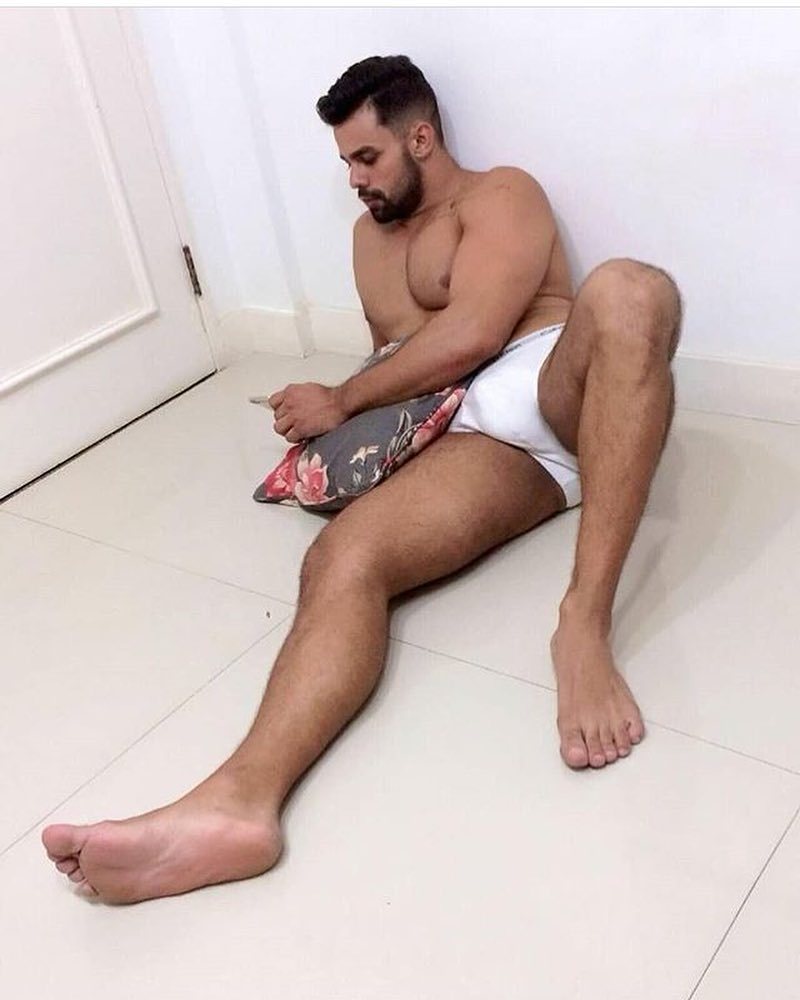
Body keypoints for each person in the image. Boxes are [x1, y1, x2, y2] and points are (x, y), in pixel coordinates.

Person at [43, 55, 682, 904]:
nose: (354, 179)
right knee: (342, 558)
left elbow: (474, 332)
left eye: (367, 157)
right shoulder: (366, 241)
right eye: (345, 161)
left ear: (420, 138)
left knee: (634, 290)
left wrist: (340, 399)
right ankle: (239, 804)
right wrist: (346, 430)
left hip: (552, 389)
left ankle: (583, 624)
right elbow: (398, 361)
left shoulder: (501, 195)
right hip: (476, 441)